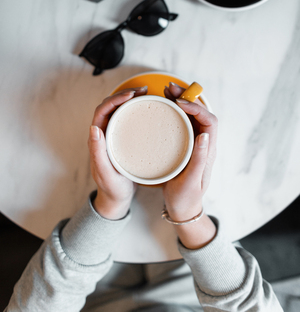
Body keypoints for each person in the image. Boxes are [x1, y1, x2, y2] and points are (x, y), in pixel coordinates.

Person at [5, 83, 283, 311]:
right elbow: (251, 306)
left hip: (99, 297)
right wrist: (187, 213)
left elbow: (40, 304)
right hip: (194, 295)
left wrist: (110, 203)